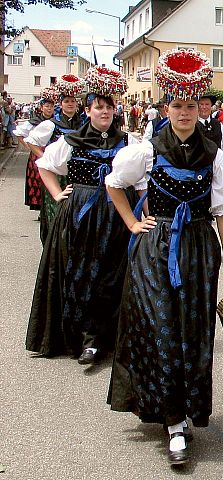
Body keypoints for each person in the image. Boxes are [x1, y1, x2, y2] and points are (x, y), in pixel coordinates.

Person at [106, 48, 223, 466]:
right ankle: (171, 418)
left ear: (201, 107)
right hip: (156, 244)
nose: (184, 112)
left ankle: (183, 411)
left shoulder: (215, 154)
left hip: (199, 247)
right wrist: (130, 223)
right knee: (158, 325)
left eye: (191, 105)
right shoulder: (145, 151)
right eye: (177, 105)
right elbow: (114, 184)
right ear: (166, 107)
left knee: (192, 330)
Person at [26, 67, 137, 364]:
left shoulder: (127, 142)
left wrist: (141, 220)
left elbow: (140, 184)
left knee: (113, 273)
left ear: (115, 110)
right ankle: (83, 336)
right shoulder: (71, 141)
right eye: (98, 107)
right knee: (80, 271)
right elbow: (45, 166)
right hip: (81, 214)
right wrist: (57, 194)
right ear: (88, 111)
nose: (104, 112)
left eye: (108, 107)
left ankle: (106, 335)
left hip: (116, 214)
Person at [23, 75, 86, 244]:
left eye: (73, 101)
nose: (70, 104)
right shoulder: (52, 124)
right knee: (55, 213)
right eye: (66, 101)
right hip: (57, 176)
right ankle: (54, 248)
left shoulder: (84, 124)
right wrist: (45, 158)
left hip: (78, 175)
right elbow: (31, 141)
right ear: (61, 104)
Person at [15, 88, 56, 211]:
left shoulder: (57, 121)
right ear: (42, 107)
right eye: (47, 106)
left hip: (52, 153)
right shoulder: (35, 121)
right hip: (38, 154)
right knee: (38, 181)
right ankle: (41, 207)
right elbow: (19, 134)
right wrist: (28, 146)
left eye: (51, 106)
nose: (49, 109)